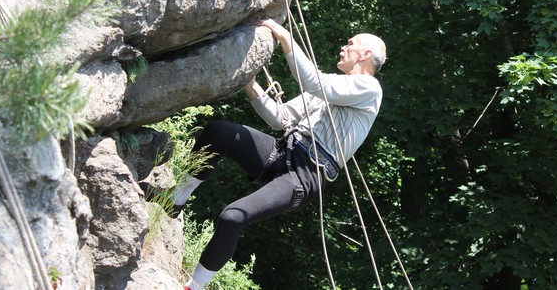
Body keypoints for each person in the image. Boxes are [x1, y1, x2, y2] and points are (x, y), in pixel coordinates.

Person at [144, 19, 386, 290]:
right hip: (283, 151)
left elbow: (317, 83)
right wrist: (251, 83)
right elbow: (280, 118)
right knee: (220, 132)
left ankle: (195, 286)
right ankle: (175, 200)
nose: (344, 47)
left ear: (365, 55)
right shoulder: (332, 90)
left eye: (350, 44)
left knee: (232, 216)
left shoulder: (369, 89)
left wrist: (284, 37)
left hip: (306, 173)